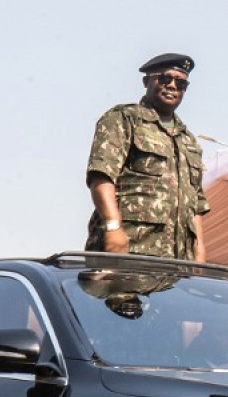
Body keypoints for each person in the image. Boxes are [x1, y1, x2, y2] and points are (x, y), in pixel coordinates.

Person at [85, 53, 207, 261]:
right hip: (130, 249)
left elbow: (196, 203)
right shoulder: (124, 119)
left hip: (178, 261)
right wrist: (113, 226)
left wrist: (199, 249)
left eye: (180, 82)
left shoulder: (188, 141)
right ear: (146, 81)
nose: (172, 86)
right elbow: (101, 176)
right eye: (164, 78)